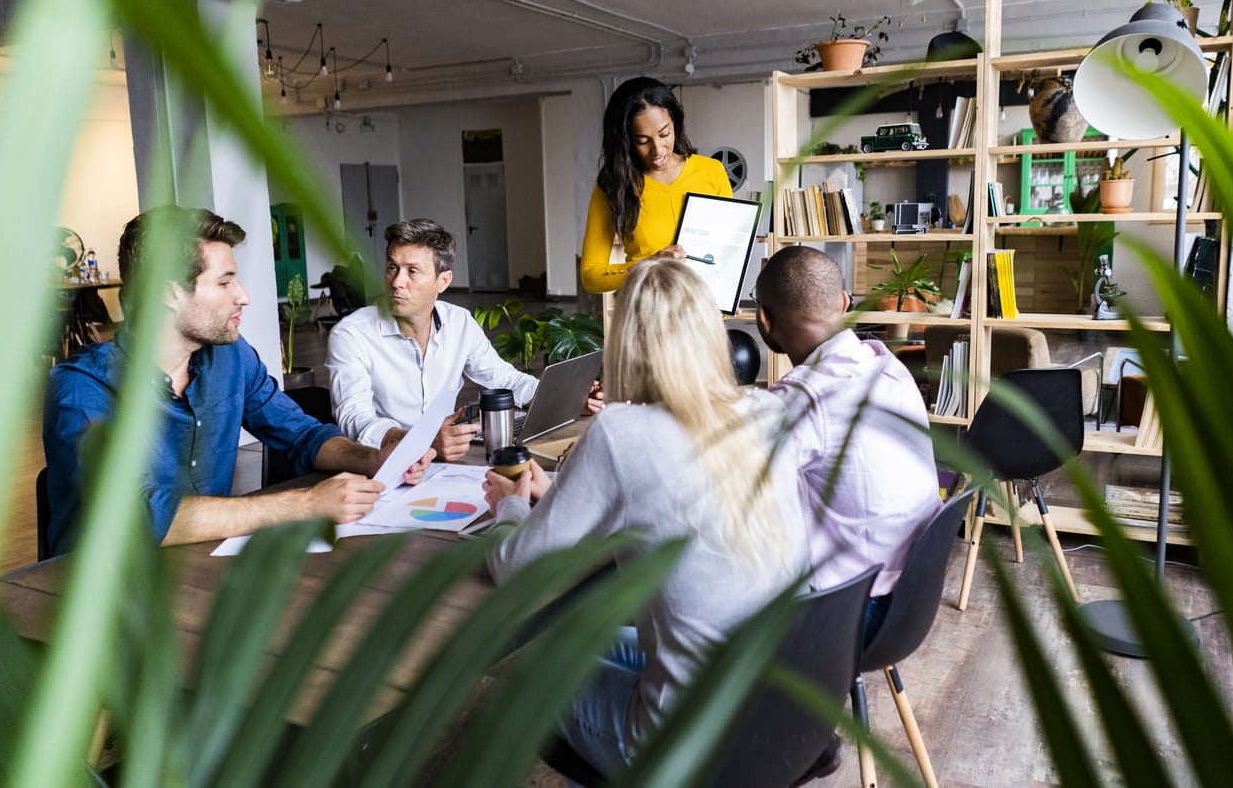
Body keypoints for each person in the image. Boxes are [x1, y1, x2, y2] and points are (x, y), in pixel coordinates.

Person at [483, 258, 807, 775]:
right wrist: (569, 499)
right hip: (781, 707)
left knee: (528, 675)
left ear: (626, 341)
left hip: (689, 736)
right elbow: (675, 509)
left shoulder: (621, 431)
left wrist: (509, 507)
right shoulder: (769, 412)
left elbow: (516, 569)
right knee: (584, 636)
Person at [42, 206, 431, 558]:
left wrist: (373, 457)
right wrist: (303, 505)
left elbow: (298, 434)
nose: (243, 296)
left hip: (197, 568)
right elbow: (139, 518)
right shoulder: (82, 390)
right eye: (225, 283)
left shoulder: (229, 356)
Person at [754, 246, 940, 640]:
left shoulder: (802, 399)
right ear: (843, 302)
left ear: (764, 321)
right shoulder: (887, 364)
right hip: (913, 597)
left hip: (855, 615)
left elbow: (723, 482)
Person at [327, 218, 602, 463]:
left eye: (412, 271)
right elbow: (356, 418)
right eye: (392, 267)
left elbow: (505, 379)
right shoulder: (351, 333)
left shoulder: (458, 323)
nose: (397, 281)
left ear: (443, 281)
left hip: (446, 462)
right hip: (378, 466)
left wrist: (567, 399)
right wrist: (418, 442)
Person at [579, 77, 733, 294]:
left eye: (664, 134)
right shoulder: (614, 186)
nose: (658, 150)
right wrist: (651, 264)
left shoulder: (711, 171)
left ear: (675, 123)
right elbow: (590, 276)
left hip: (704, 316)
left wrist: (730, 288)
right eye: (642, 141)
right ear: (625, 140)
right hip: (648, 315)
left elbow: (729, 251)